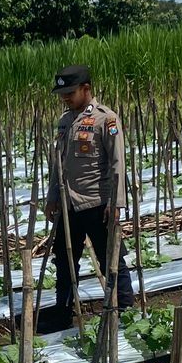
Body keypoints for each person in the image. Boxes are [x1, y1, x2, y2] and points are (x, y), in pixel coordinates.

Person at [44, 63, 135, 319]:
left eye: (70, 93)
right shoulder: (65, 121)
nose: (65, 98)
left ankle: (125, 310)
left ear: (86, 89)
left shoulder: (106, 118)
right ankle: (63, 310)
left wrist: (116, 203)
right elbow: (58, 164)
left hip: (97, 203)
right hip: (68, 203)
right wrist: (52, 198)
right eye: (62, 94)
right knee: (63, 260)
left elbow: (118, 163)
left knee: (112, 261)